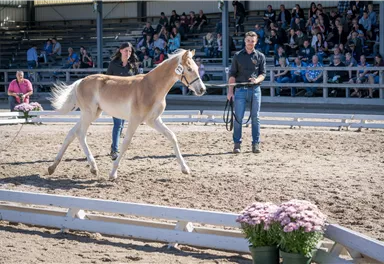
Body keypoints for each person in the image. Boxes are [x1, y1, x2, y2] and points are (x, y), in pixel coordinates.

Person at [227, 31, 266, 154]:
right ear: (245, 40)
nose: (250, 43)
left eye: (253, 41)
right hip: (240, 90)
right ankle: (237, 144)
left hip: (255, 90)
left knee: (256, 118)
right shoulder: (237, 56)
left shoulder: (260, 56)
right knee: (238, 118)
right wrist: (230, 92)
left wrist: (257, 80)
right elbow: (232, 75)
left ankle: (256, 144)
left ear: (256, 42)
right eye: (248, 40)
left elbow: (263, 74)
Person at [106, 42, 139, 160]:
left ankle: (113, 146)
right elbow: (107, 80)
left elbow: (138, 82)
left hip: (129, 101)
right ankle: (115, 150)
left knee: (122, 125)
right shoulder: (113, 64)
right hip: (115, 100)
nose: (128, 53)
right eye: (126, 51)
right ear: (120, 51)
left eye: (130, 51)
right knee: (118, 124)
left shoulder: (133, 65)